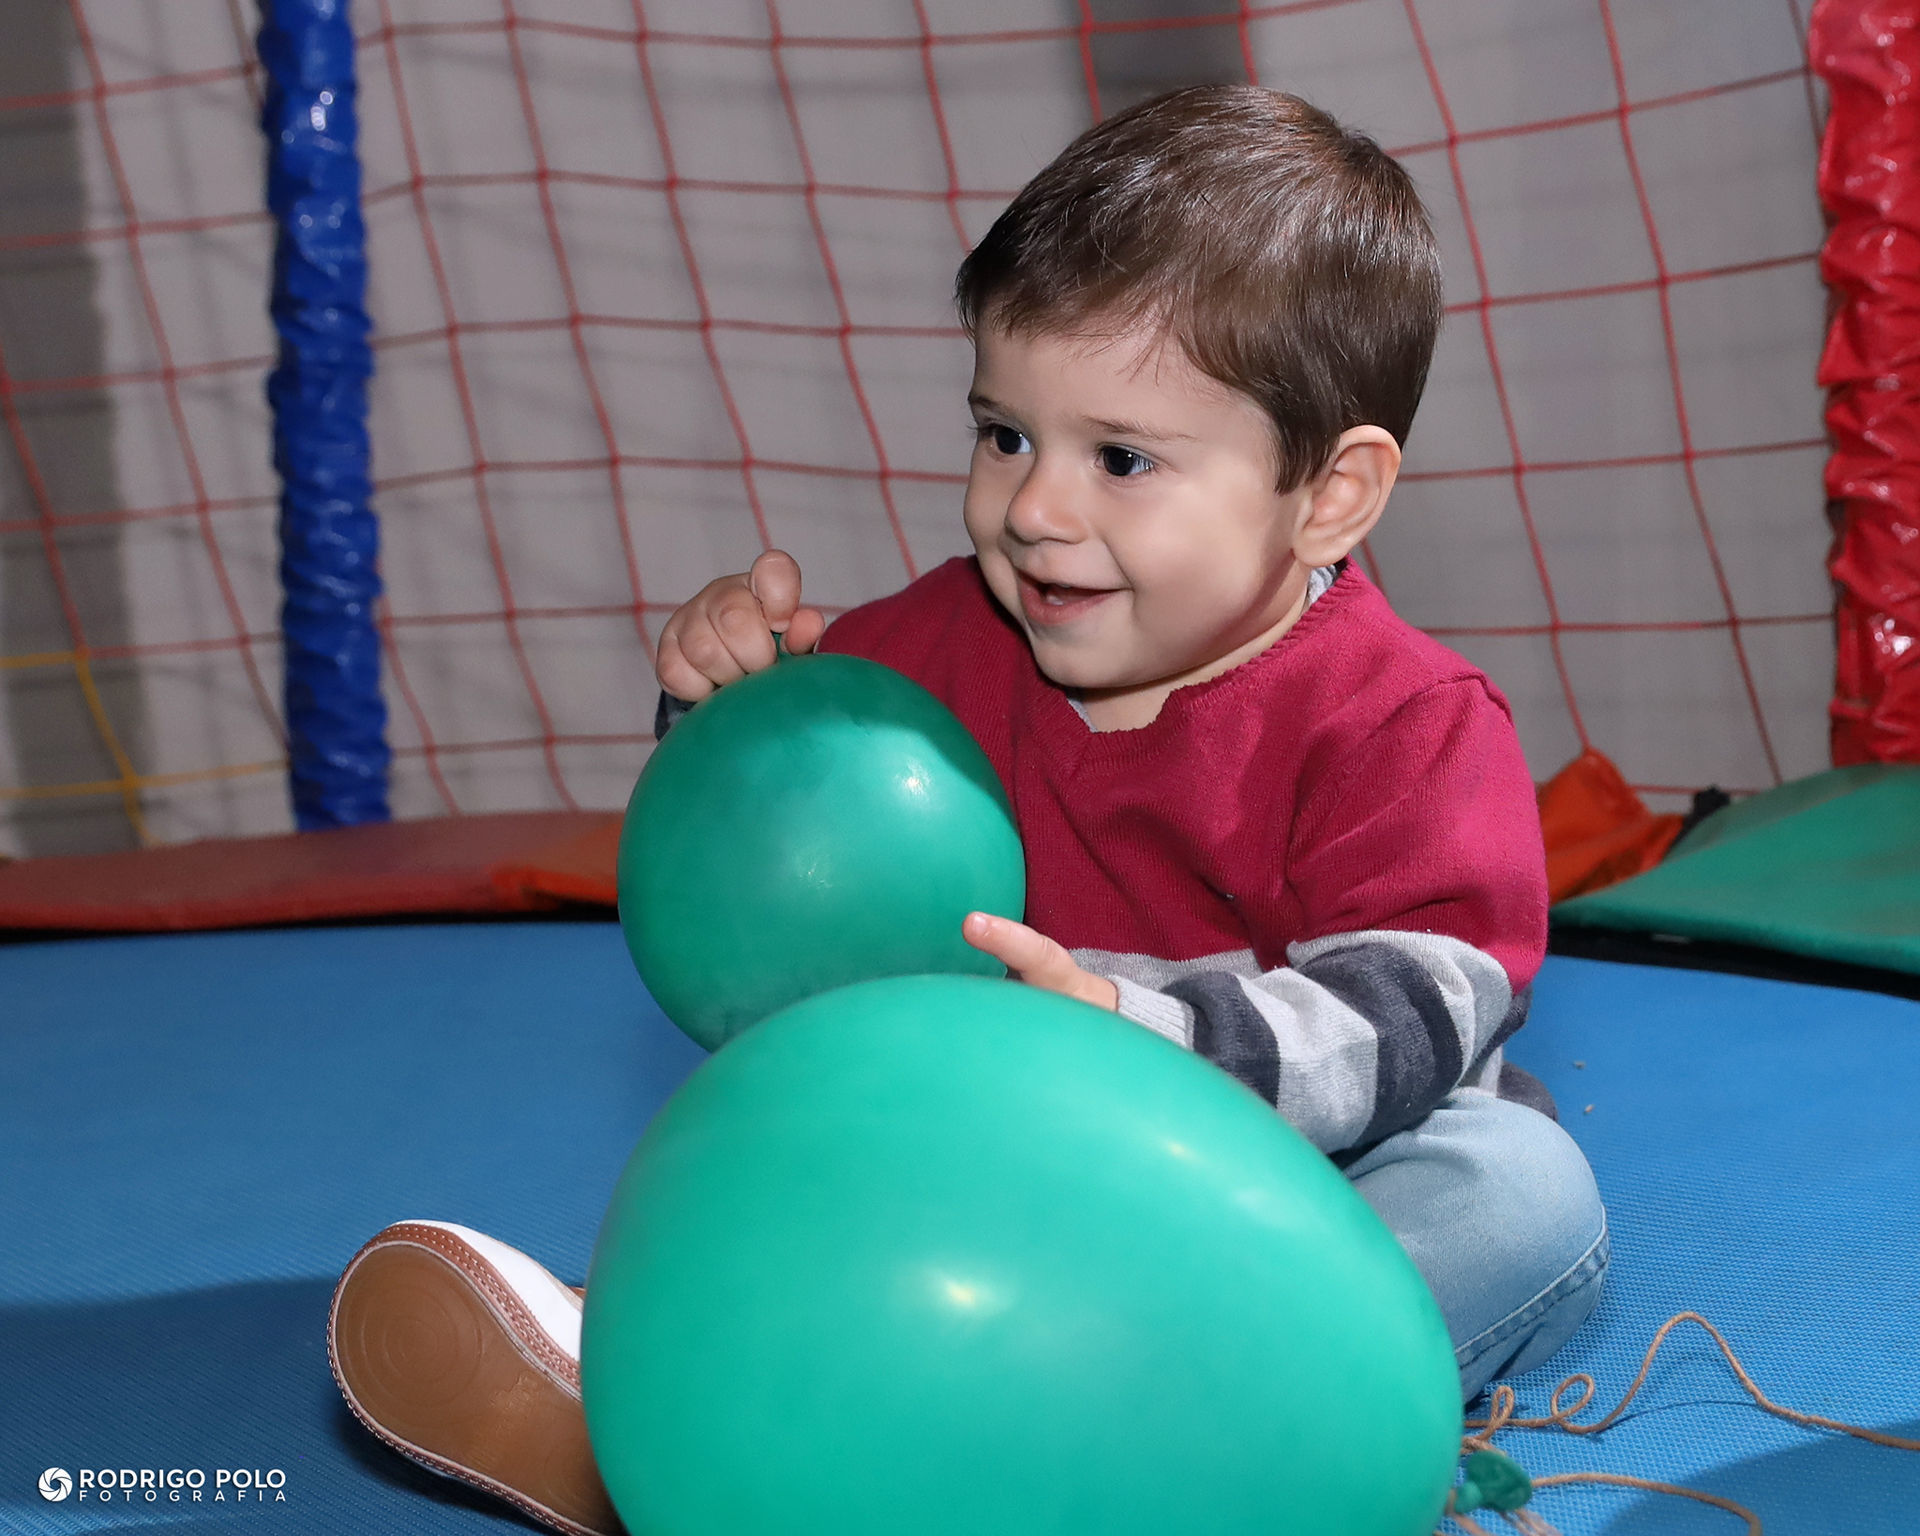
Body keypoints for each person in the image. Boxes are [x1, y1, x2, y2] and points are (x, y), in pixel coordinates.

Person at [327, 85, 1607, 1536]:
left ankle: (1176, 1437)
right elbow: (779, 884)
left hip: (1262, 1203)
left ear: (1328, 496)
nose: (1033, 510)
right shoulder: (932, 648)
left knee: (1523, 1190)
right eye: (1005, 434)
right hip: (964, 1181)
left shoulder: (1405, 719)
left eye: (1121, 459)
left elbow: (1420, 1007)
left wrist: (1143, 1042)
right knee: (767, 1116)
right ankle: (638, 1391)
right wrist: (729, 709)